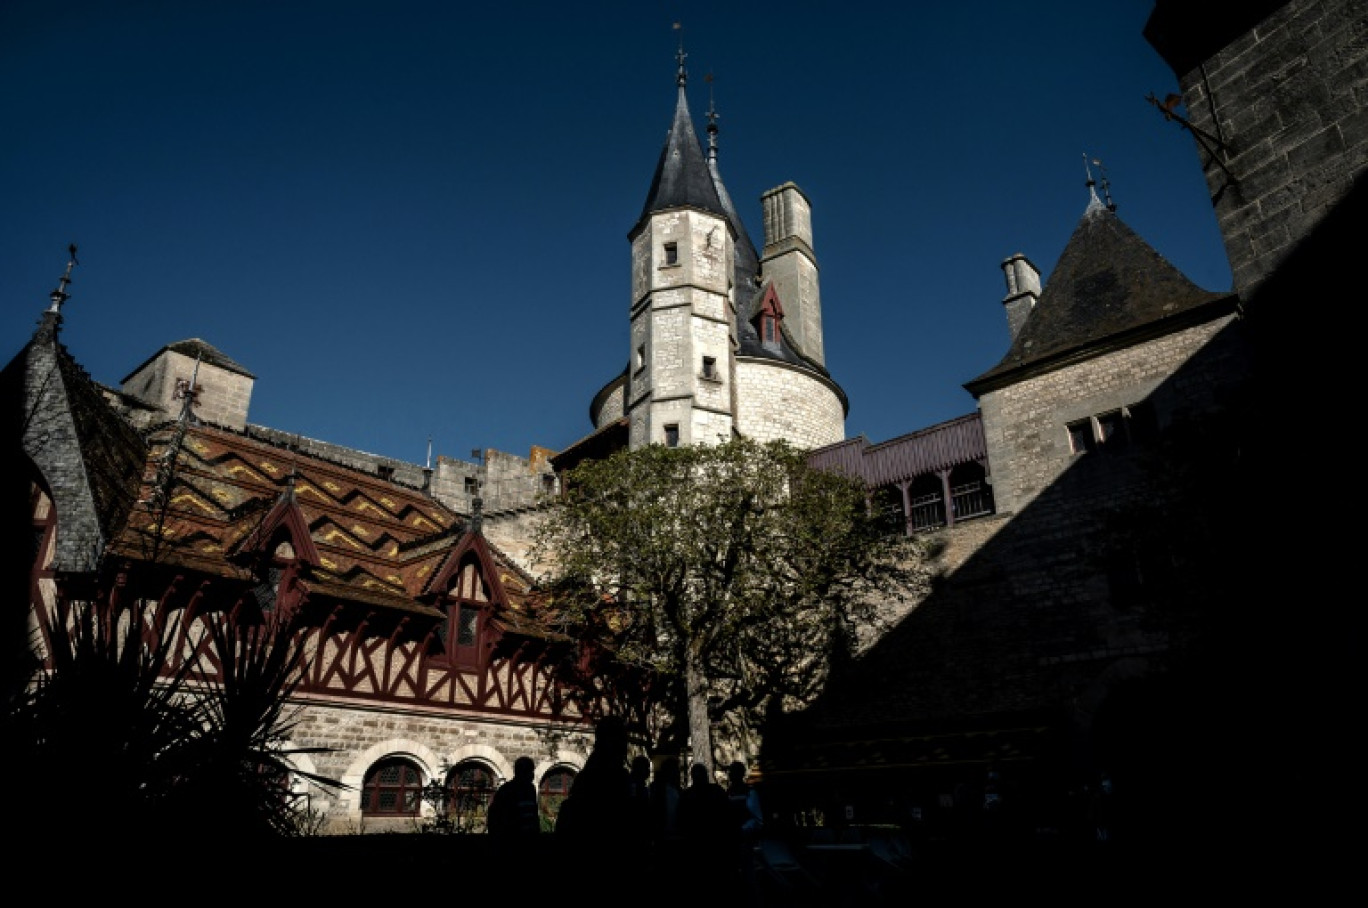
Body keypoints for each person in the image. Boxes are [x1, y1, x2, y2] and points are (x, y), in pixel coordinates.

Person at [726, 761, 764, 902]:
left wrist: (742, 830)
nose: (730, 774)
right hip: (732, 841)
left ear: (740, 774)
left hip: (744, 841)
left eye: (733, 771)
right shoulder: (729, 792)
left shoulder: (749, 792)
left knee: (749, 875)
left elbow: (757, 819)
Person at [487, 755, 540, 840]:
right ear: (522, 772)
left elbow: (533, 815)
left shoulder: (531, 789)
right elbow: (496, 817)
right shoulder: (507, 791)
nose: (532, 774)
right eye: (530, 771)